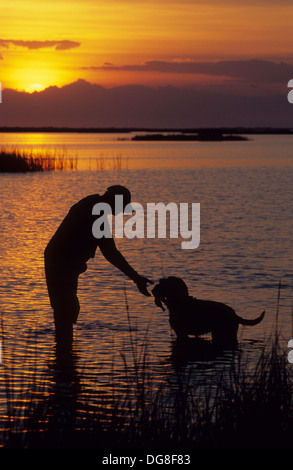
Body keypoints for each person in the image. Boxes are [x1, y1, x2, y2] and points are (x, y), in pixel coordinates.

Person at [44, 185, 153, 348]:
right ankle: (64, 351)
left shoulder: (93, 205)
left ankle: (65, 354)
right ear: (115, 201)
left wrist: (136, 278)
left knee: (68, 308)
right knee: (66, 308)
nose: (123, 211)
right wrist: (136, 278)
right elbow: (110, 252)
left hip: (64, 263)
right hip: (61, 264)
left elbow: (108, 250)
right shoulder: (95, 213)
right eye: (123, 206)